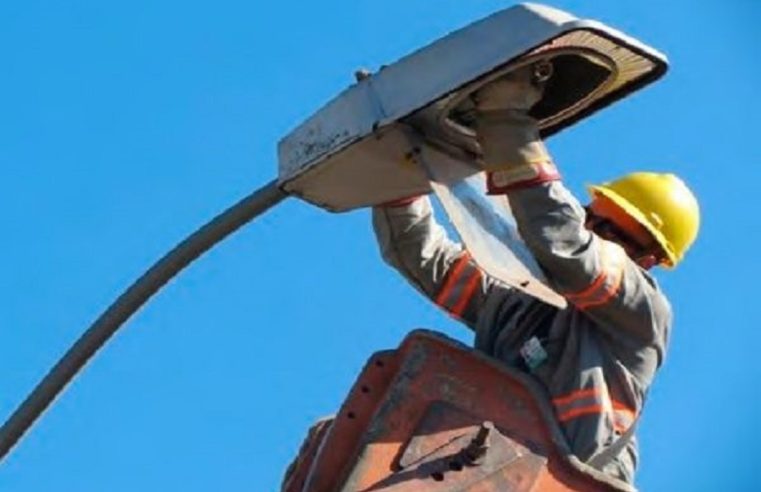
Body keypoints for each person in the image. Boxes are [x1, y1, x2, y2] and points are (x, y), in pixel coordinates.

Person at [371, 62, 700, 483]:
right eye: (590, 218)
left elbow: (562, 242)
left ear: (649, 260)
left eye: (612, 231)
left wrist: (506, 117)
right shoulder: (519, 302)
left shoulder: (641, 313)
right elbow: (421, 257)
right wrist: (395, 175)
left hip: (571, 482)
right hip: (489, 474)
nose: (592, 231)